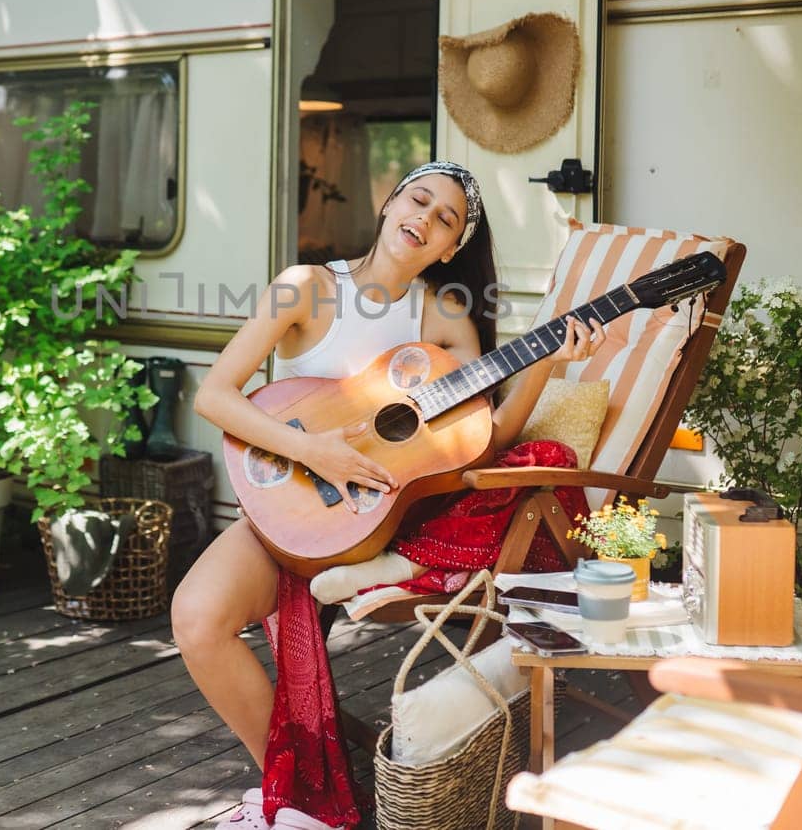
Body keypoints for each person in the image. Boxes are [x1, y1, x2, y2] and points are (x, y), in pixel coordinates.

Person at [172, 161, 605, 830]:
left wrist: (546, 360)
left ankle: (293, 801)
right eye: (419, 199)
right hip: (292, 507)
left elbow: (483, 439)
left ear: (451, 247)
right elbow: (216, 394)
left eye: (446, 219)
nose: (425, 219)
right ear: (389, 200)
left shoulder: (444, 313)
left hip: (381, 522)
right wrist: (313, 449)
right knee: (197, 617)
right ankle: (294, 797)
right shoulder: (306, 288)